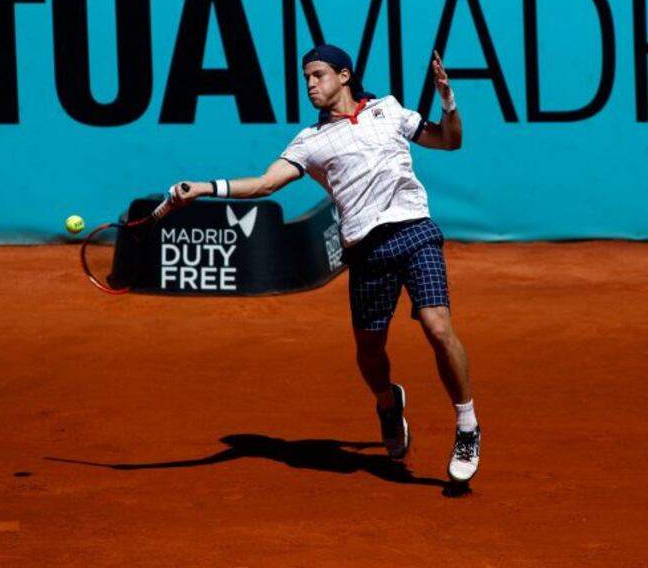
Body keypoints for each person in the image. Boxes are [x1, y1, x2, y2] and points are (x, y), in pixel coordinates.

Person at [166, 44, 480, 483]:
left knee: (438, 326)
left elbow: (450, 140)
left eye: (318, 75)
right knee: (370, 352)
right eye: (306, 78)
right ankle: (388, 404)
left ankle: (467, 427)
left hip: (414, 231)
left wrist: (447, 99)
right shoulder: (310, 142)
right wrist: (203, 187)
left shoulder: (388, 110)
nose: (310, 84)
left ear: (345, 75)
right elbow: (263, 184)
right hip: (365, 250)